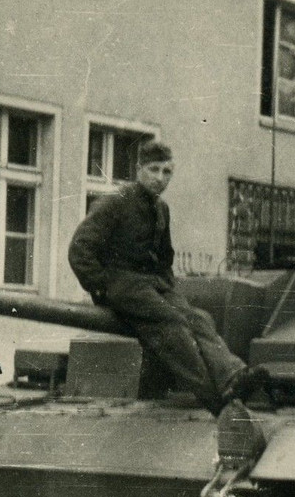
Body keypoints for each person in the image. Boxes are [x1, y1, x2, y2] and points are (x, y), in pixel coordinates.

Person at [67, 141, 265, 414]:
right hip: (121, 284)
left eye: (167, 172)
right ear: (139, 170)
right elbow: (80, 249)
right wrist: (100, 288)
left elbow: (164, 258)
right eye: (153, 170)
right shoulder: (115, 203)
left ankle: (233, 375)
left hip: (153, 286)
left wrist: (169, 289)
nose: (160, 178)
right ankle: (213, 396)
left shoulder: (161, 210)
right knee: (171, 321)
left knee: (199, 318)